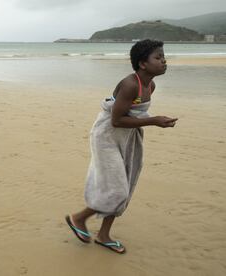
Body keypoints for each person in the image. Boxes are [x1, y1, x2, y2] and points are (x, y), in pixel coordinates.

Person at [65, 39, 178, 254]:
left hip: (128, 138)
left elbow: (134, 114)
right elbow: (116, 120)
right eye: (158, 57)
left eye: (164, 57)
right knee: (117, 190)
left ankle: (104, 235)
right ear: (142, 64)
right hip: (107, 137)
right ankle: (78, 218)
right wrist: (153, 121)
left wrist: (153, 120)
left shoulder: (150, 85)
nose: (164, 61)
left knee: (126, 185)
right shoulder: (130, 84)